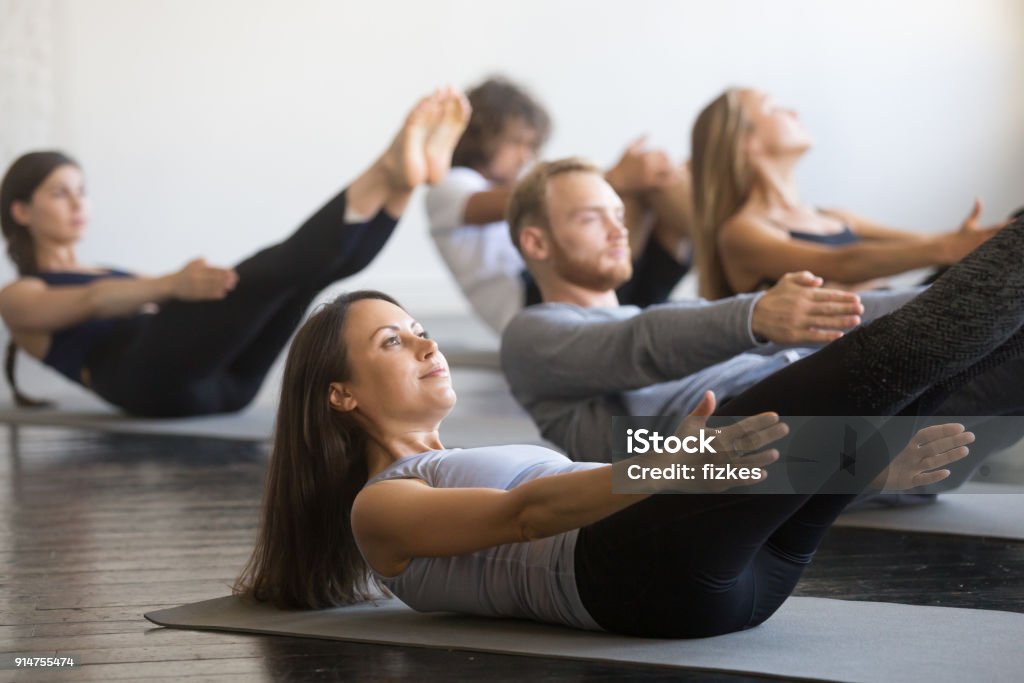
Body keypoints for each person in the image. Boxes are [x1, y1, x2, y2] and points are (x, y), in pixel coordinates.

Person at [235, 212, 1024, 637]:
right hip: (632, 578)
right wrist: (674, 462)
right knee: (888, 356)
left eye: (418, 326)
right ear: (339, 395)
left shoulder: (468, 457)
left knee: (922, 384)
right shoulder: (379, 506)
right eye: (391, 340)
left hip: (725, 580)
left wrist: (863, 470)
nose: (424, 341)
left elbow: (601, 481)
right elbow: (528, 514)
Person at [0, 87, 470, 417]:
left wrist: (177, 291)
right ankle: (386, 168)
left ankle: (401, 184)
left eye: (81, 191)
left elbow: (136, 300)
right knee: (270, 270)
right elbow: (91, 301)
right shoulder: (19, 295)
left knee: (303, 277)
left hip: (229, 387)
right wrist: (172, 284)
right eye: (60, 194)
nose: (79, 203)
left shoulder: (107, 271)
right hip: (151, 386)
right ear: (21, 211)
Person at [501, 158, 931, 462]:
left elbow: (836, 314)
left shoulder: (670, 319)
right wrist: (755, 315)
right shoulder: (529, 337)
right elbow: (636, 347)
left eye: (619, 214)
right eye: (592, 219)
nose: (620, 230)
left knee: (982, 314)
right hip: (772, 419)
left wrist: (932, 299)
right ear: (536, 243)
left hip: (849, 415)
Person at [426, 76, 693, 334]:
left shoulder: (513, 183)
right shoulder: (449, 185)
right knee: (635, 188)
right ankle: (718, 243)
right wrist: (618, 177)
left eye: (531, 145)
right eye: (517, 142)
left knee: (656, 186)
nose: (525, 156)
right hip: (537, 303)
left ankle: (714, 240)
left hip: (582, 287)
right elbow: (526, 200)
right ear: (481, 136)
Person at [689, 87, 1007, 299]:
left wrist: (977, 242)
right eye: (774, 108)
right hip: (859, 352)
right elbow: (840, 263)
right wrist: (950, 248)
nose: (794, 111)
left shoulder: (833, 217)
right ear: (744, 142)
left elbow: (925, 243)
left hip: (900, 317)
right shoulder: (741, 232)